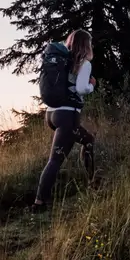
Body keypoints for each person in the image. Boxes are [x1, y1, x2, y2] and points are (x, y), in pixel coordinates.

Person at [33, 29, 97, 211]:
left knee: (88, 141)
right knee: (55, 160)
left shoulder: (64, 60)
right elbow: (81, 88)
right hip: (67, 116)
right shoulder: (83, 63)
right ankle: (39, 203)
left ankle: (92, 182)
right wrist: (91, 86)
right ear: (86, 44)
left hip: (52, 114)